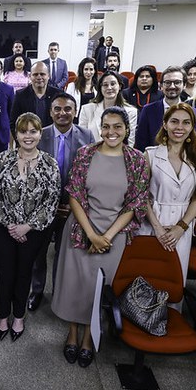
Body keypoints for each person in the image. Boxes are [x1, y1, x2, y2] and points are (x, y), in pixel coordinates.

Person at [52, 106, 149, 368]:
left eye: (117, 126)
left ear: (127, 129)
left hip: (114, 235)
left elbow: (135, 203)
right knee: (75, 286)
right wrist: (92, 234)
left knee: (96, 289)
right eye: (106, 126)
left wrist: (106, 236)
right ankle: (72, 334)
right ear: (100, 128)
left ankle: (88, 338)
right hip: (81, 228)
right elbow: (74, 194)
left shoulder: (137, 160)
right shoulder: (85, 154)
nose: (111, 132)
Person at [0, 113, 60, 342]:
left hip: (34, 230)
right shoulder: (3, 159)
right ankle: (2, 316)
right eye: (23, 131)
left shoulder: (50, 163)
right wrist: (11, 225)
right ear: (16, 134)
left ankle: (18, 316)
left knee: (24, 273)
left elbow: (52, 201)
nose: (28, 136)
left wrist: (26, 226)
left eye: (33, 131)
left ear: (40, 134)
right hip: (2, 228)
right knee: (5, 273)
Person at [28, 93, 94, 311]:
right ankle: (36, 290)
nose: (62, 113)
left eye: (68, 109)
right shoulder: (39, 135)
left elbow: (90, 175)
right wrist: (48, 204)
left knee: (64, 254)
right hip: (42, 208)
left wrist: (74, 203)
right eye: (57, 109)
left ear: (75, 112)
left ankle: (59, 292)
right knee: (38, 253)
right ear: (50, 112)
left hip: (73, 207)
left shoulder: (87, 136)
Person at [138, 103, 196, 296]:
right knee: (147, 278)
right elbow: (141, 194)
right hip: (152, 222)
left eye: (186, 123)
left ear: (192, 127)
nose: (180, 127)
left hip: (182, 224)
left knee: (173, 280)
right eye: (174, 122)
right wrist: (158, 228)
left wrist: (181, 226)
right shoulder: (151, 154)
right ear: (165, 124)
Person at [135, 66, 196, 151]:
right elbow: (141, 143)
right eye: (167, 82)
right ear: (161, 86)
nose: (172, 86)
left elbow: (193, 145)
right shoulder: (148, 110)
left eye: (177, 82)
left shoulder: (194, 113)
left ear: (184, 85)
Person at [79, 71, 138, 147]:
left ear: (119, 86)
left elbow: (129, 142)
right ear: (100, 88)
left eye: (113, 84)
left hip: (119, 156)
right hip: (91, 154)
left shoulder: (131, 112)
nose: (109, 88)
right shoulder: (87, 109)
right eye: (105, 85)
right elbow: (82, 139)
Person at [9, 62, 62, 136]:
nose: (39, 77)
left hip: (52, 140)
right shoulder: (20, 95)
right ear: (30, 76)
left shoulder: (58, 94)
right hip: (28, 141)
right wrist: (21, 142)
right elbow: (14, 122)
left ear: (48, 76)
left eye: (42, 74)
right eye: (35, 74)